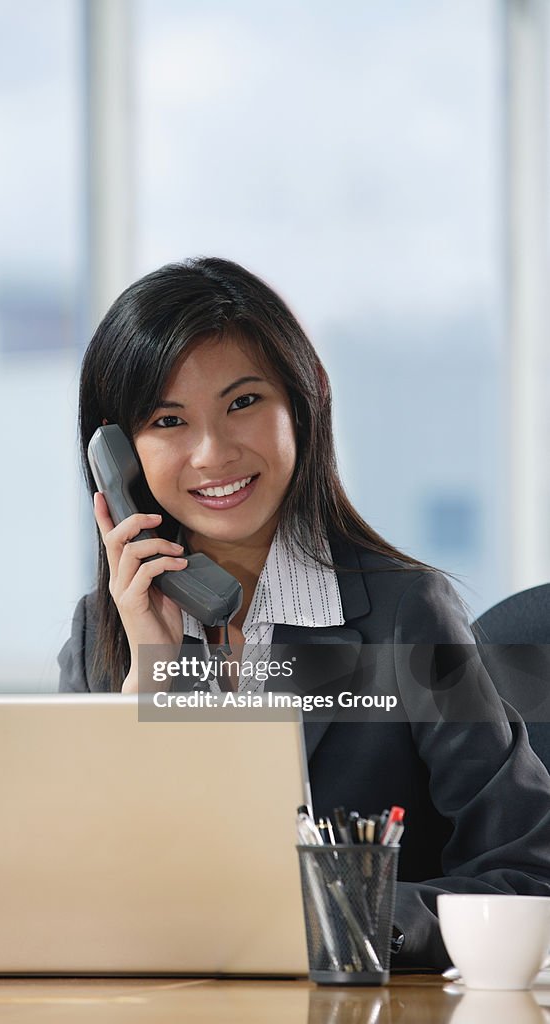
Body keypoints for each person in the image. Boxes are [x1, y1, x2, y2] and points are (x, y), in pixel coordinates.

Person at [59, 256, 550, 969]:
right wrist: (152, 686)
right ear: (118, 457)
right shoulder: (103, 635)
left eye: (243, 403)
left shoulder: (402, 614)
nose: (212, 453)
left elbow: (526, 873)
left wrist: (340, 920)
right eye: (168, 420)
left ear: (304, 402)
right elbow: (73, 890)